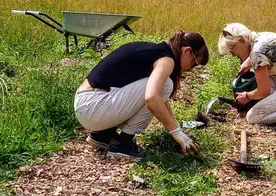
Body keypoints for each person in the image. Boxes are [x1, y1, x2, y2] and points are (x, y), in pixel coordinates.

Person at [75, 31, 208, 160]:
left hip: (87, 104)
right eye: (194, 64)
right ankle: (123, 144)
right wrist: (176, 132)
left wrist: (175, 125)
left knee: (161, 88)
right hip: (94, 107)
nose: (191, 69)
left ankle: (103, 135)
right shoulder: (167, 60)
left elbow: (161, 99)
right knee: (166, 85)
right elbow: (152, 98)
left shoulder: (156, 51)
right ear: (187, 51)